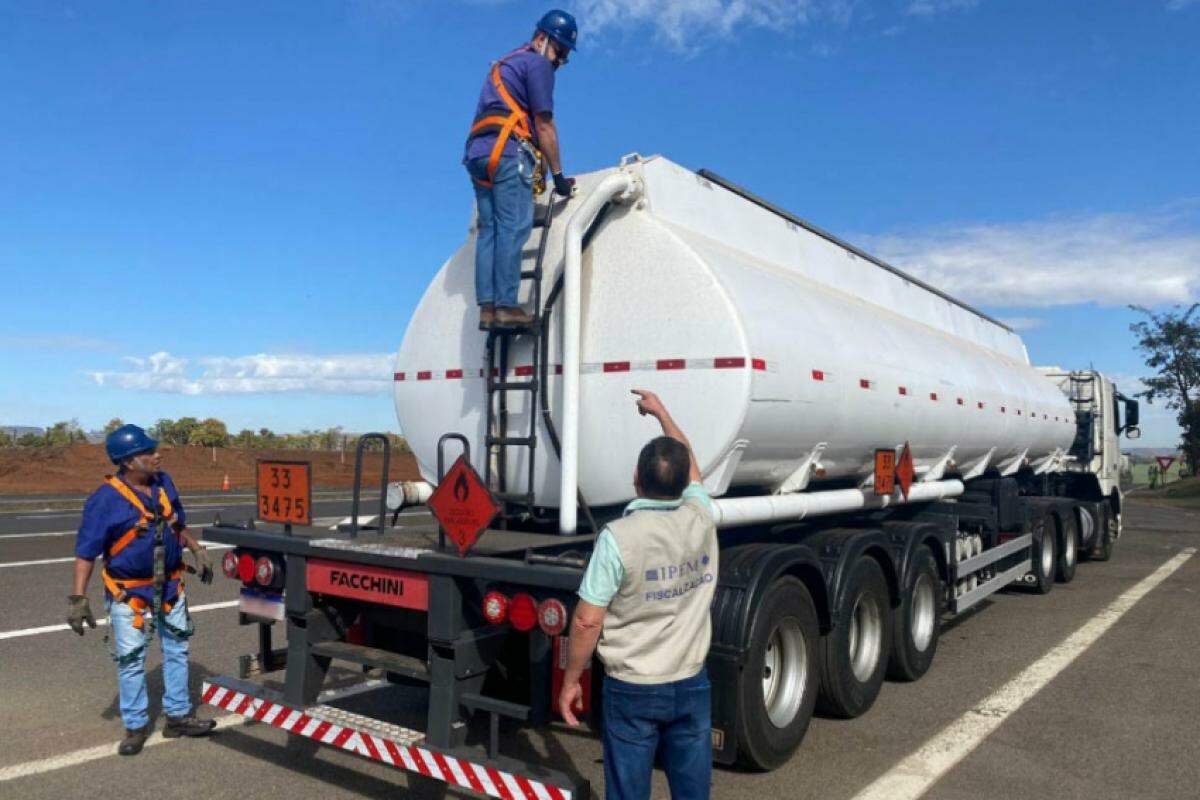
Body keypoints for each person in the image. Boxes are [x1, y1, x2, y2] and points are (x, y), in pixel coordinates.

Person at [558, 389, 718, 800]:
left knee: (628, 791)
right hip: (691, 680)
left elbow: (587, 619)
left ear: (635, 479)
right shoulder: (701, 516)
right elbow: (693, 466)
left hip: (633, 687)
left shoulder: (618, 538)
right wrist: (663, 412)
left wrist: (572, 679)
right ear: (685, 484)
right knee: (693, 790)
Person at [67, 424, 217, 755]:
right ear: (130, 462)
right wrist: (78, 598)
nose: (157, 454)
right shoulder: (104, 501)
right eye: (149, 452)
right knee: (132, 660)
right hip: (128, 592)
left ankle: (177, 716)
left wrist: (196, 550)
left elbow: (176, 523)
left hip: (170, 586)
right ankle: (135, 726)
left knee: (177, 650)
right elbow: (85, 553)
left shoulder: (164, 483)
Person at [464, 9, 578, 331]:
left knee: (490, 230)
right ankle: (507, 308)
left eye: (565, 57)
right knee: (515, 226)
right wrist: (558, 175)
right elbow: (544, 125)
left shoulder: (504, 65)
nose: (560, 61)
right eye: (560, 51)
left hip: (478, 154)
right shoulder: (537, 64)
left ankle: (487, 309)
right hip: (508, 152)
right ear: (542, 39)